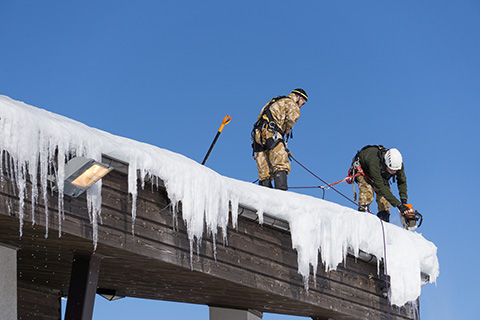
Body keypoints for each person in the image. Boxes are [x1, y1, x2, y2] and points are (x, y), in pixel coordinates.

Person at [251, 88, 308, 190]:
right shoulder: (291, 102)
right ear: (299, 97)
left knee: (264, 170)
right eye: (302, 103)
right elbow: (293, 117)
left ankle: (265, 193)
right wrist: (287, 129)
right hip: (271, 133)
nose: (300, 106)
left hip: (258, 135)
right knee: (280, 162)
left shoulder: (276, 100)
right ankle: (281, 194)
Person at [351, 145, 413, 222]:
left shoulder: (397, 165)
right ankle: (363, 213)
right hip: (364, 171)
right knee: (367, 193)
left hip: (380, 174)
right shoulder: (374, 163)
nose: (394, 172)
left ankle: (384, 217)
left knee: (385, 202)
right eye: (392, 170)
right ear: (386, 164)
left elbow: (402, 181)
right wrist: (399, 205)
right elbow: (381, 187)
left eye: (395, 170)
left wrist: (404, 201)